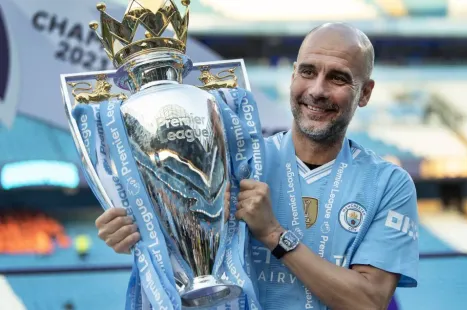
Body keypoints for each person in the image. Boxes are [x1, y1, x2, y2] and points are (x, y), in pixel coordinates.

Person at [95, 22, 419, 310]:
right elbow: (186, 257)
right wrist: (142, 236)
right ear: (293, 75)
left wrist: (273, 234)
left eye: (338, 78)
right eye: (308, 71)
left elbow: (368, 301)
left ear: (365, 92)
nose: (317, 90)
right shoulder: (233, 160)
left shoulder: (388, 184)